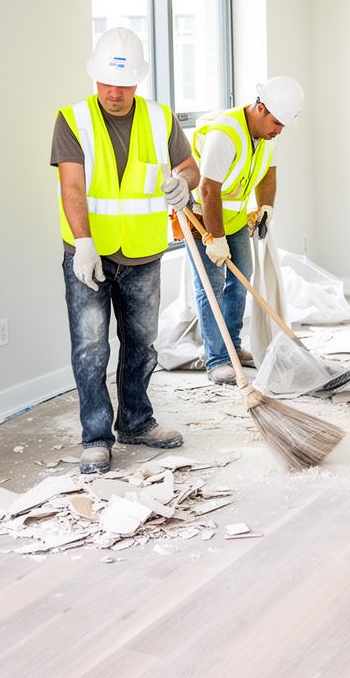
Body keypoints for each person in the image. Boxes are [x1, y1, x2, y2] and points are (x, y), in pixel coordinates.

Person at [51, 27, 200, 474]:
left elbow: (189, 167)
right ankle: (96, 438)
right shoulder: (72, 119)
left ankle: (136, 421)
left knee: (142, 345)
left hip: (143, 251)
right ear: (94, 77)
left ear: (139, 81)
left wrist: (183, 184)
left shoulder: (160, 117)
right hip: (89, 253)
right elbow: (72, 187)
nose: (114, 93)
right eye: (106, 83)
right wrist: (82, 242)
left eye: (123, 84)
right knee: (91, 348)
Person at [187, 76, 304, 384]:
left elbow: (268, 172)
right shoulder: (226, 134)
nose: (279, 131)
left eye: (283, 126)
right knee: (211, 285)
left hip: (235, 217)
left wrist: (267, 207)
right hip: (204, 217)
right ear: (261, 108)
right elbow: (208, 189)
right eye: (277, 123)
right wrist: (216, 239)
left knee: (240, 280)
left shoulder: (268, 135)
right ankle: (216, 359)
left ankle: (233, 346)